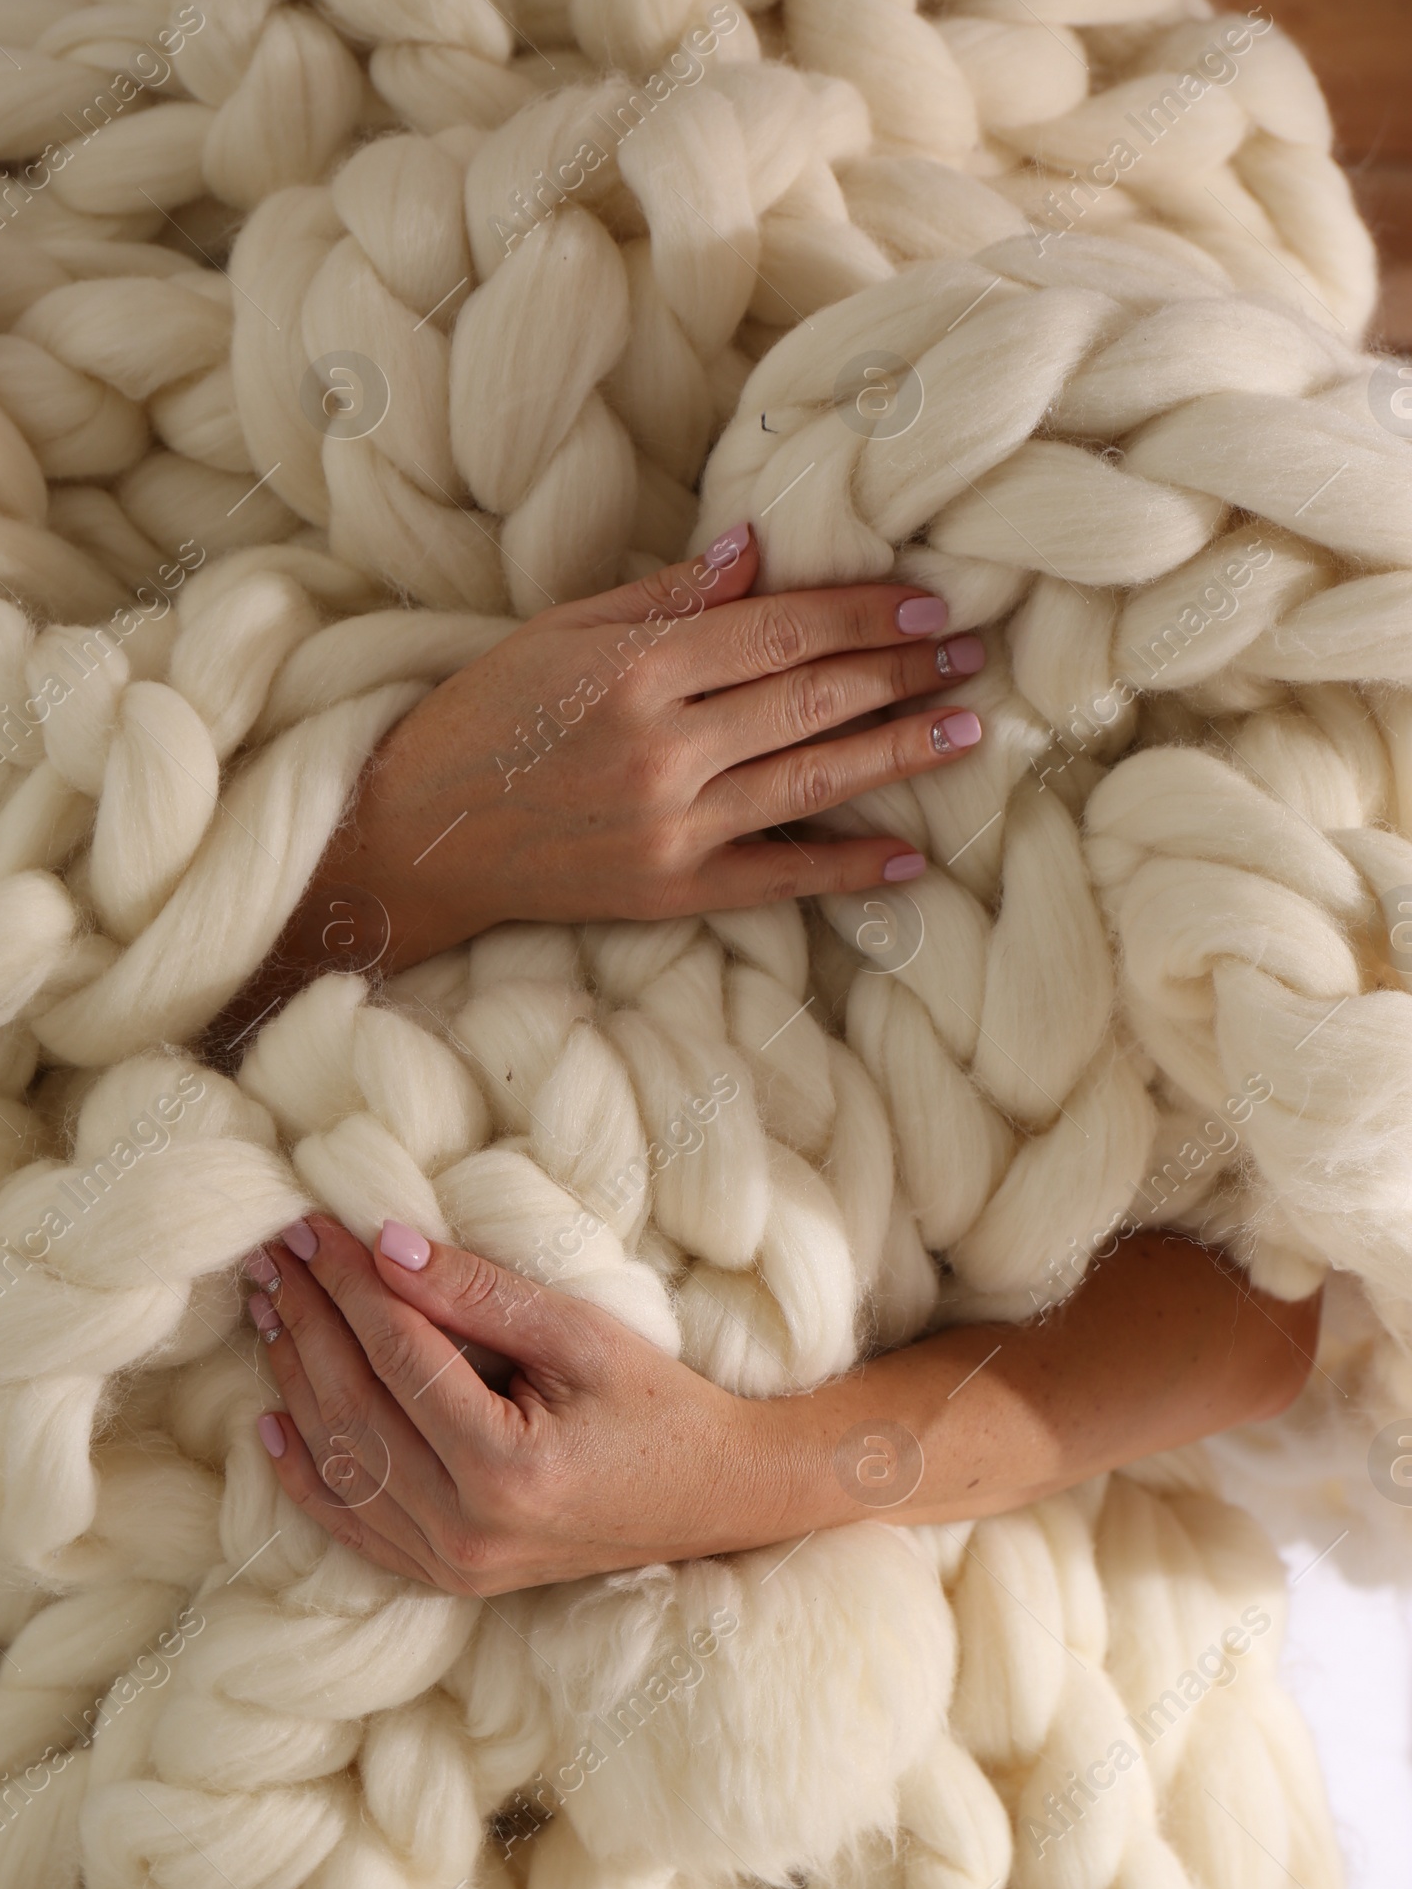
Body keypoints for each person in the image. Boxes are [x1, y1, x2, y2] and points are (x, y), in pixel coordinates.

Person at [220, 523, 1321, 1595]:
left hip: (877, 1548)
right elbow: (55, 1014)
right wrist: (412, 844)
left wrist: (745, 1479)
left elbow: (1269, 1310)